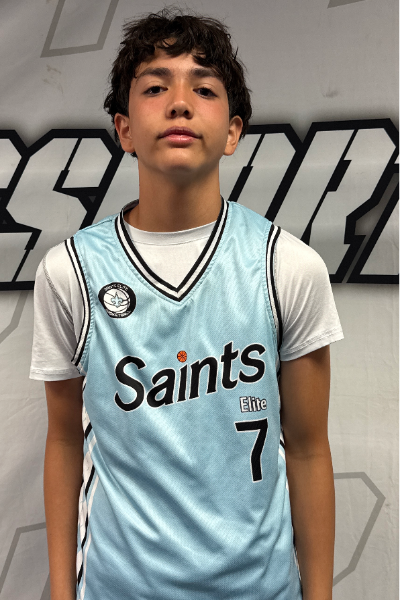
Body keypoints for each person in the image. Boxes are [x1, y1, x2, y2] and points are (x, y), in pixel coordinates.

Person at [30, 7, 343, 600]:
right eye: (155, 87)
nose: (179, 103)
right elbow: (65, 440)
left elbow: (307, 450)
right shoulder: (71, 270)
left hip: (260, 588)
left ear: (233, 131)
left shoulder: (287, 266)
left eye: (203, 88)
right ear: (124, 129)